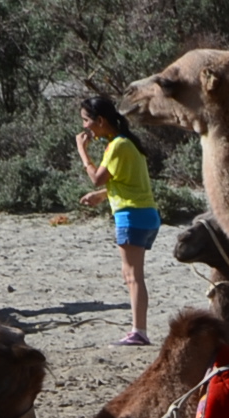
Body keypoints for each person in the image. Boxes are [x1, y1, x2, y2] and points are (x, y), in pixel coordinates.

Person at [76, 95, 156, 346]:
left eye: (86, 120)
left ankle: (139, 331)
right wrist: (102, 197)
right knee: (132, 274)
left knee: (133, 276)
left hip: (132, 216)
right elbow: (128, 182)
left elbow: (97, 177)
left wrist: (83, 151)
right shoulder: (128, 143)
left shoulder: (117, 146)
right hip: (146, 215)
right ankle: (138, 330)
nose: (85, 127)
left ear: (100, 120)